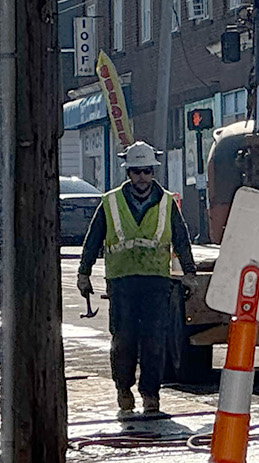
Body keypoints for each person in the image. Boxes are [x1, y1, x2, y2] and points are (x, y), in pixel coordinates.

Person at [77, 141, 197, 418]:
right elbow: (93, 239)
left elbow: (181, 238)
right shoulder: (110, 202)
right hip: (122, 281)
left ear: (153, 172)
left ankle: (151, 394)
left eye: (147, 171)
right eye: (136, 171)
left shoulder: (167, 202)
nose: (142, 177)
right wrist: (84, 273)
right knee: (124, 339)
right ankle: (124, 388)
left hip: (156, 281)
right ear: (128, 172)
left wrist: (189, 273)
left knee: (154, 340)